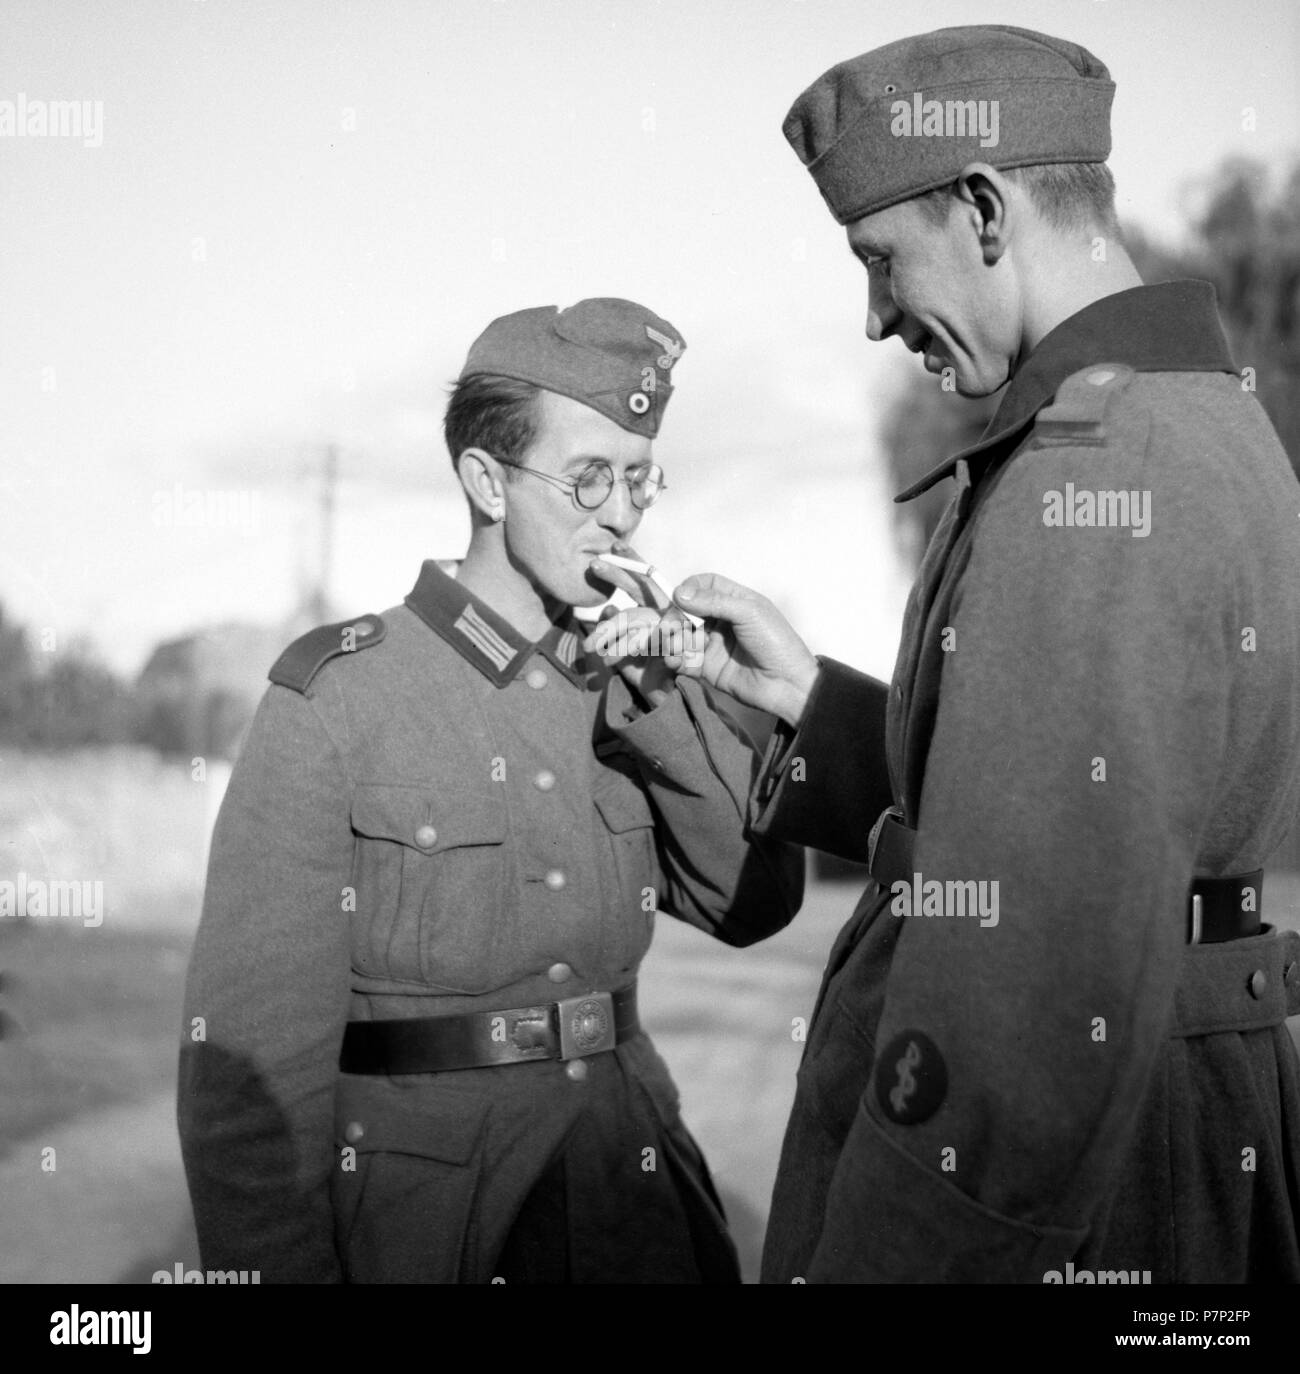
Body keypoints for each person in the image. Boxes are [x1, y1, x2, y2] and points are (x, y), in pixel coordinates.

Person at [605, 26, 1300, 1282]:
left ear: (983, 209)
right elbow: (1069, 805)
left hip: (1080, 1197)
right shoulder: (1193, 418)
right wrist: (809, 709)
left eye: (879, 258)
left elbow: (1022, 1013)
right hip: (1157, 1138)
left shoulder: (1098, 477)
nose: (875, 318)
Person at [176, 296, 804, 1284]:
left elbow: (757, 905)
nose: (622, 511)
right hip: (429, 1226)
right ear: (486, 480)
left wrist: (667, 708)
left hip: (629, 1206)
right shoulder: (338, 698)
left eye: (639, 478)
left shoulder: (633, 685)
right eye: (588, 475)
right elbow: (249, 1075)